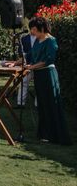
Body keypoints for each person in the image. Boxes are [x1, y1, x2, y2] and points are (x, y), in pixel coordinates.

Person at [25, 17, 72, 145]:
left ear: (41, 28)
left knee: (51, 104)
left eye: (33, 29)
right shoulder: (37, 41)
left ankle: (55, 135)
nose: (32, 32)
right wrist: (16, 63)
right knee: (42, 105)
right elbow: (31, 56)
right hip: (39, 76)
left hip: (48, 75)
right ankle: (44, 134)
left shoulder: (51, 41)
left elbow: (48, 60)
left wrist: (31, 67)